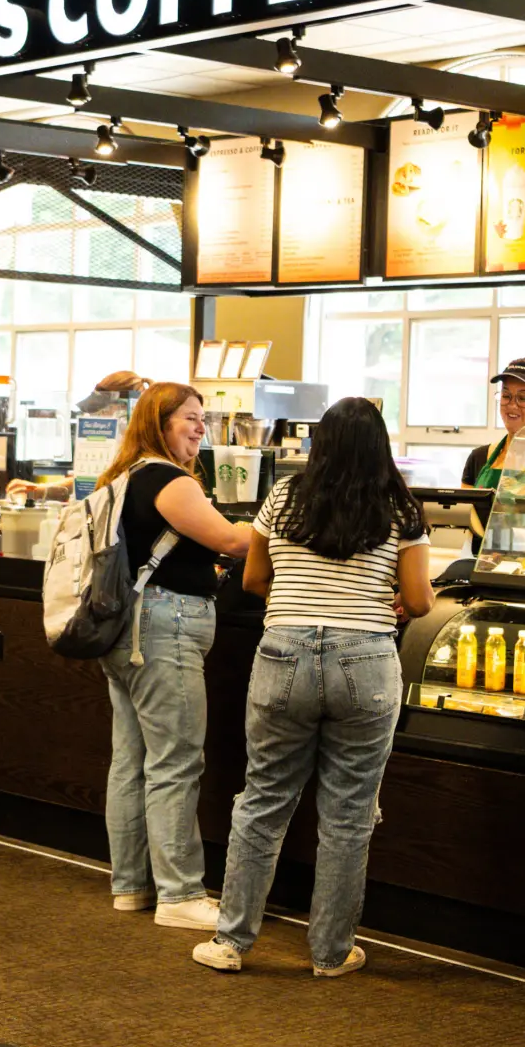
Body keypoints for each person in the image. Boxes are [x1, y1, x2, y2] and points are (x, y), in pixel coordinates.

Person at [194, 397, 430, 977]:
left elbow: (253, 579)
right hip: (368, 660)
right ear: (381, 445)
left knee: (263, 802)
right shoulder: (402, 507)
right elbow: (422, 600)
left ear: (320, 442)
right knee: (349, 813)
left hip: (284, 653)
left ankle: (231, 943)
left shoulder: (284, 497)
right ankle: (330, 953)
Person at [98, 380, 254, 928]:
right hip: (164, 628)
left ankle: (132, 885)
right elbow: (233, 541)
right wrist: (282, 529)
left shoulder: (124, 475)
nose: (199, 427)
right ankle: (181, 894)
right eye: (189, 417)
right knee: (175, 761)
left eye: (202, 418)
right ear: (159, 422)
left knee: (132, 759)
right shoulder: (169, 479)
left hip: (125, 629)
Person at [458, 356, 525, 489]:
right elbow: (465, 509)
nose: (512, 405)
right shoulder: (479, 457)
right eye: (506, 396)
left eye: (523, 397)